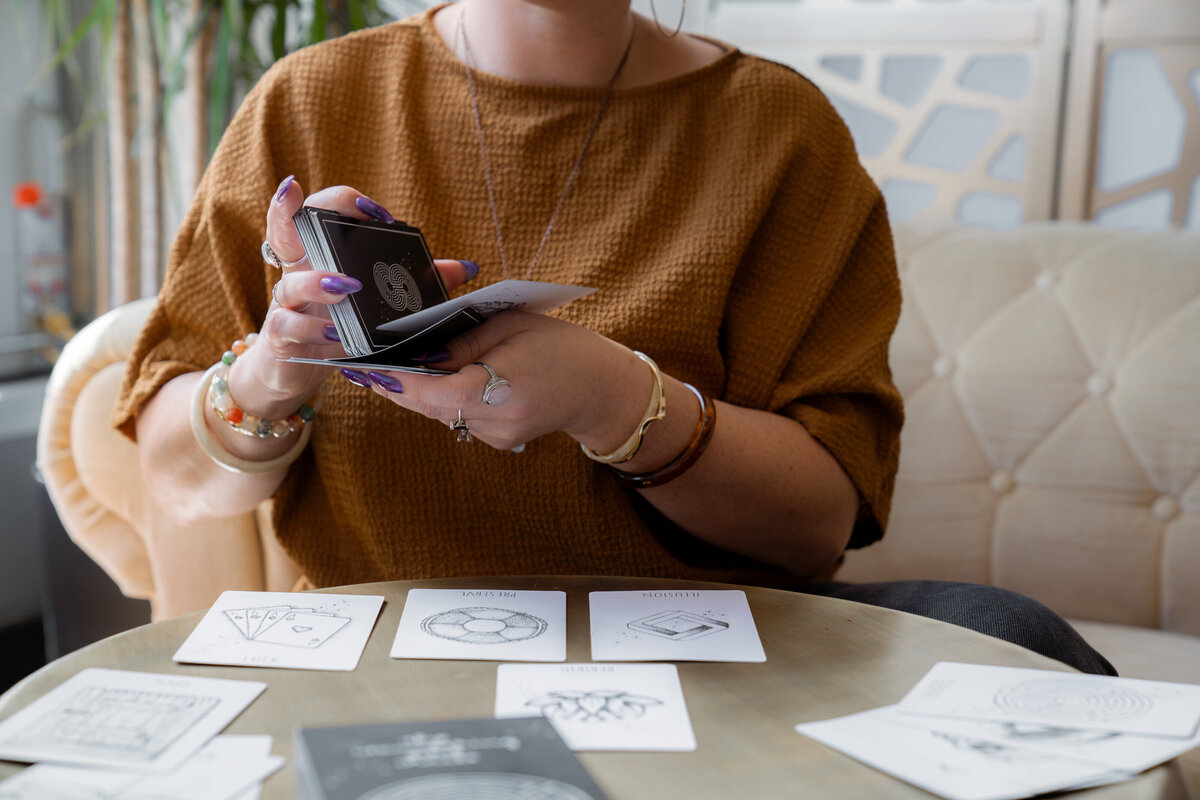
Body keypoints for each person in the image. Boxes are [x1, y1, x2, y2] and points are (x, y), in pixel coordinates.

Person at [116, 0, 1113, 675]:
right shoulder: (309, 99)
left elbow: (820, 523)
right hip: (392, 656)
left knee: (1022, 643)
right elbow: (173, 476)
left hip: (712, 658)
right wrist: (271, 368)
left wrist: (621, 401)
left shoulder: (780, 132)